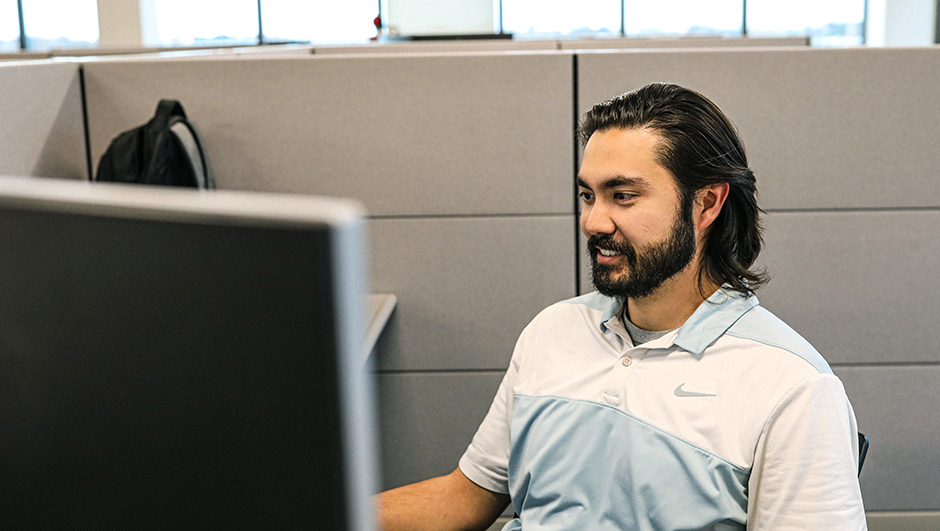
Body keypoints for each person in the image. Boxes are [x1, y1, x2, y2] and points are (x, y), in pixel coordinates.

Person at [377, 83, 867, 531]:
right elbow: (466, 496)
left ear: (707, 203)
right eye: (588, 195)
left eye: (623, 196)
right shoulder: (554, 330)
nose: (593, 221)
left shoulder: (793, 386)